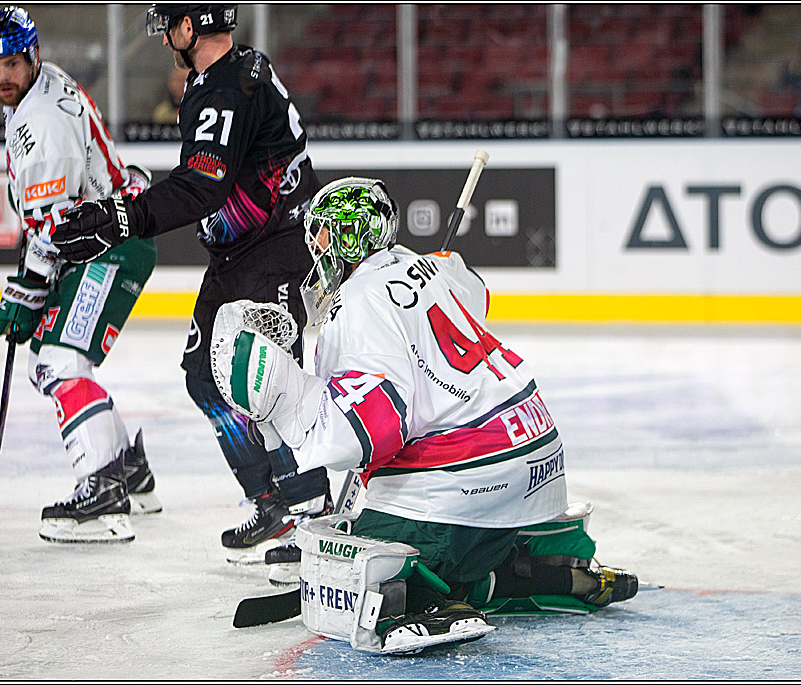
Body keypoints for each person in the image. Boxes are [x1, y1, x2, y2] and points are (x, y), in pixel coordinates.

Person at [211, 177, 639, 654]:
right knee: (448, 537)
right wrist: (434, 274)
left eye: (323, 236)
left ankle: (428, 600)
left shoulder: (355, 303)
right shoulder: (427, 268)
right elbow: (475, 292)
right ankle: (548, 571)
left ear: (347, 237)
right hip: (535, 464)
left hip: (467, 483)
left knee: (352, 556)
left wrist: (284, 402)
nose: (316, 250)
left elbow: (374, 427)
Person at [50, 4, 331, 551]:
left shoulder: (223, 91)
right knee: (205, 376)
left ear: (191, 26)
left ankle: (309, 513)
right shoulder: (239, 69)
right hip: (247, 256)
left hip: (272, 254)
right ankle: (274, 504)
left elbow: (203, 187)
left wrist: (120, 217)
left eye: (168, 26)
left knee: (265, 379)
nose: (162, 40)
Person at [0, 6, 161, 543]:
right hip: (106, 238)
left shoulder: (39, 125)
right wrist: (30, 287)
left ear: (31, 55)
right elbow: (57, 219)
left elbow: (55, 227)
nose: (3, 76)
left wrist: (26, 294)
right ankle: (130, 471)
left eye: (12, 62)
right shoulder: (41, 87)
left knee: (59, 361)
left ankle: (105, 496)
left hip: (110, 246)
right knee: (53, 359)